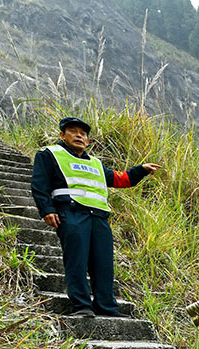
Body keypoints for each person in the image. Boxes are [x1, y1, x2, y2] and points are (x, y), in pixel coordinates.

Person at [31, 116, 160, 317]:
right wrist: (47, 210)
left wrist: (140, 170)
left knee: (104, 264)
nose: (78, 136)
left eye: (83, 133)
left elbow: (120, 179)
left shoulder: (96, 163)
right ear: (62, 135)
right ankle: (81, 306)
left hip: (99, 219)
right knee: (77, 261)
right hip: (71, 214)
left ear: (88, 141)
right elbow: (39, 185)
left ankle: (106, 307)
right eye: (72, 131)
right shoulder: (50, 154)